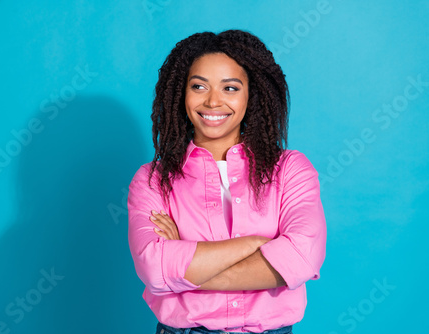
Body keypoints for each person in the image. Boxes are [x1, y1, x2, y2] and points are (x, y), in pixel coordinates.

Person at [127, 29, 326, 334]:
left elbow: (301, 258)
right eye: (198, 86)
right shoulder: (153, 180)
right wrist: (255, 245)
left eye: (230, 88)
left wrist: (183, 257)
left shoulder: (290, 170)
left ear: (252, 94)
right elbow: (154, 269)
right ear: (182, 92)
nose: (213, 101)